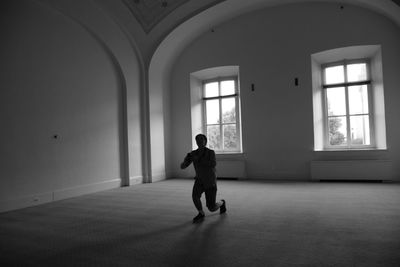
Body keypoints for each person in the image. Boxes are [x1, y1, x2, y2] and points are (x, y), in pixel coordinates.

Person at [180, 134, 227, 223]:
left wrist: (198, 159)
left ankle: (222, 202)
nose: (200, 141)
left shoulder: (210, 152)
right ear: (196, 142)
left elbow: (213, 164)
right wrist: (185, 161)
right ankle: (201, 213)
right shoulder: (193, 154)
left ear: (205, 141)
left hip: (210, 181)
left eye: (202, 140)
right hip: (199, 180)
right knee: (195, 196)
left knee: (212, 208)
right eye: (197, 140)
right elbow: (183, 166)